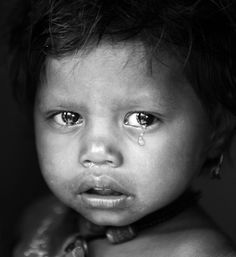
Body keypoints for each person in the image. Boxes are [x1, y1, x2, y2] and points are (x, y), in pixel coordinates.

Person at [8, 0, 236, 256]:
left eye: (142, 119)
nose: (96, 152)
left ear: (216, 130)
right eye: (68, 117)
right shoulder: (42, 219)